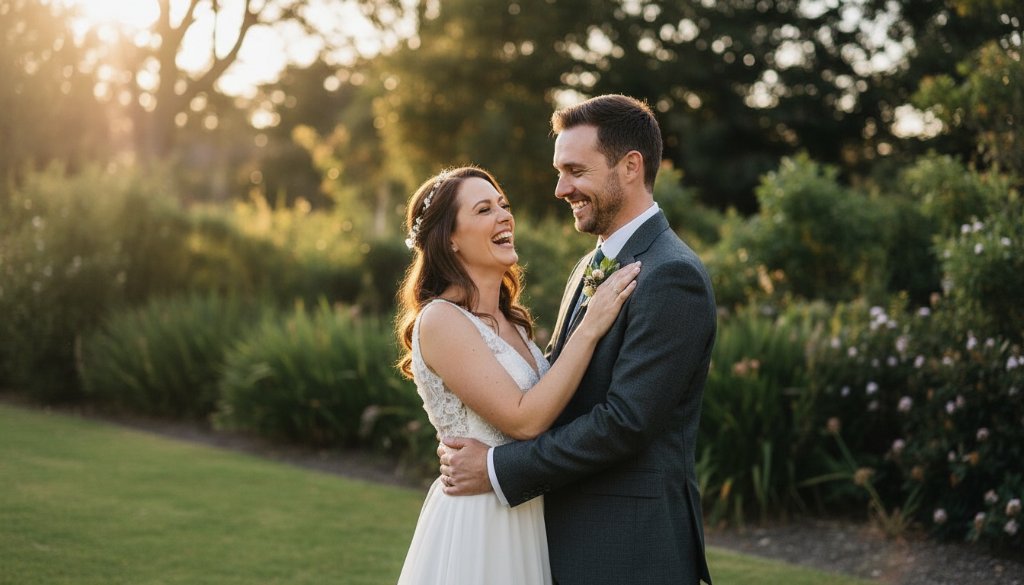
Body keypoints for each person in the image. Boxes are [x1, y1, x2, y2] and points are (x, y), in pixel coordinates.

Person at [439, 94, 717, 585]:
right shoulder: (590, 266)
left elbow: (626, 423)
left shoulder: (672, 275)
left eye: (575, 171)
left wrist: (499, 466)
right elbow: (555, 382)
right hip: (564, 534)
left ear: (630, 167)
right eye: (559, 171)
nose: (560, 188)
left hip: (630, 545)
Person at [394, 165, 642, 585]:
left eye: (504, 205)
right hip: (480, 520)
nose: (504, 216)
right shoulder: (440, 320)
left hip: (527, 510)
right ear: (450, 239)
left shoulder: (515, 325)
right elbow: (525, 420)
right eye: (484, 209)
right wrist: (592, 325)